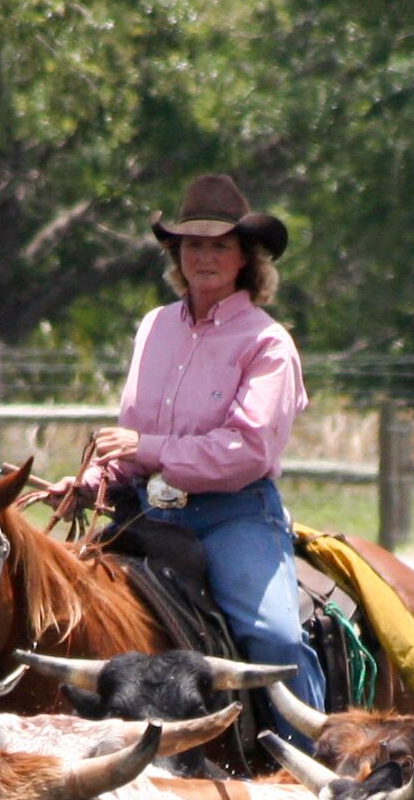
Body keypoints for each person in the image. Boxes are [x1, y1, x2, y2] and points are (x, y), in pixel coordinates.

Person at [71, 172, 321, 707]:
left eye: (219, 246)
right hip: (147, 512)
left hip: (231, 516)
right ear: (176, 254)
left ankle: (313, 757)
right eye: (191, 245)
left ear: (246, 260)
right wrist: (93, 479)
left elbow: (246, 451)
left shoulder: (267, 343)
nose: (203, 257)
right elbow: (130, 433)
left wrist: (147, 449)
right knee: (60, 608)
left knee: (274, 638)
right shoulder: (154, 327)